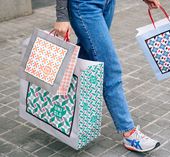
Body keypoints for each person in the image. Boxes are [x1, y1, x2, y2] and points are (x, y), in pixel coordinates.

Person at [54, 0, 161, 153]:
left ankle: (68, 114)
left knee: (89, 57)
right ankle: (129, 132)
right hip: (84, 6)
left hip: (107, 3)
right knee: (110, 68)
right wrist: (62, 16)